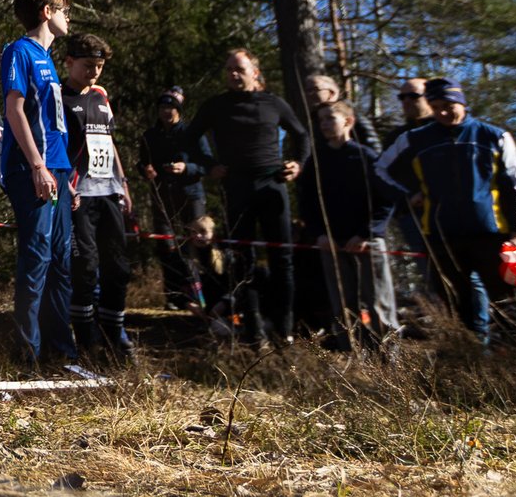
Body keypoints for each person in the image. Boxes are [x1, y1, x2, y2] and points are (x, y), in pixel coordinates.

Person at [375, 77, 516, 343]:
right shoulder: (413, 139)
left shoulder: (493, 136)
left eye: (449, 105)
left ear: (462, 102)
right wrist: (406, 197)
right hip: (441, 235)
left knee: (505, 301)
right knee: (456, 303)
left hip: (490, 233)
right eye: (435, 107)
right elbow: (378, 170)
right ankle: (471, 361)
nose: (443, 113)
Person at [185, 49, 310, 345]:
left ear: (255, 71)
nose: (233, 74)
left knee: (283, 259)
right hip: (236, 186)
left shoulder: (274, 103)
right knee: (242, 259)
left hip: (272, 185)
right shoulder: (216, 105)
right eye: (228, 69)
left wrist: (297, 164)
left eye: (239, 69)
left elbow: (301, 135)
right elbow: (189, 138)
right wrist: (208, 164)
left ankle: (285, 329)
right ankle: (253, 330)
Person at [0, 0, 78, 369]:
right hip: (32, 170)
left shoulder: (48, 56)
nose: (69, 17)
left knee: (62, 258)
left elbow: (53, 124)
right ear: (47, 12)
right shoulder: (20, 51)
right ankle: (26, 353)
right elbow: (14, 110)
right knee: (37, 256)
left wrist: (65, 175)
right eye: (65, 10)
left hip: (58, 171)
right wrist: (36, 166)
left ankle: (60, 350)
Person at [297, 102, 399, 348]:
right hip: (331, 242)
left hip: (367, 241)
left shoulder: (367, 157)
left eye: (330, 118)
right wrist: (319, 234)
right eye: (321, 120)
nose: (324, 124)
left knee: (378, 302)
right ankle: (351, 354)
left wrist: (367, 233)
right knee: (343, 302)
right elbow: (307, 203)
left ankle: (390, 359)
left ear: (348, 121)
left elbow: (386, 199)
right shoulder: (315, 162)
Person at [62, 34, 135, 356]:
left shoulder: (101, 96)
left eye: (100, 67)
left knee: (118, 266)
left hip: (109, 190)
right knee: (86, 266)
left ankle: (114, 334)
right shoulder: (60, 96)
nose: (94, 73)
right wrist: (63, 180)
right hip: (80, 193)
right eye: (88, 65)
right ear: (69, 63)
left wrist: (124, 182)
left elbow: (109, 140)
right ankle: (86, 336)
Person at [137, 87, 208, 309]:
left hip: (191, 195)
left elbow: (207, 164)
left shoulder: (192, 133)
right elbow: (142, 162)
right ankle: (174, 297)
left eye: (171, 108)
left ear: (178, 110)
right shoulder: (150, 136)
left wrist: (186, 168)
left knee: (194, 246)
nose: (166, 112)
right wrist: (145, 169)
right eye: (162, 108)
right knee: (165, 246)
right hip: (162, 196)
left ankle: (201, 297)